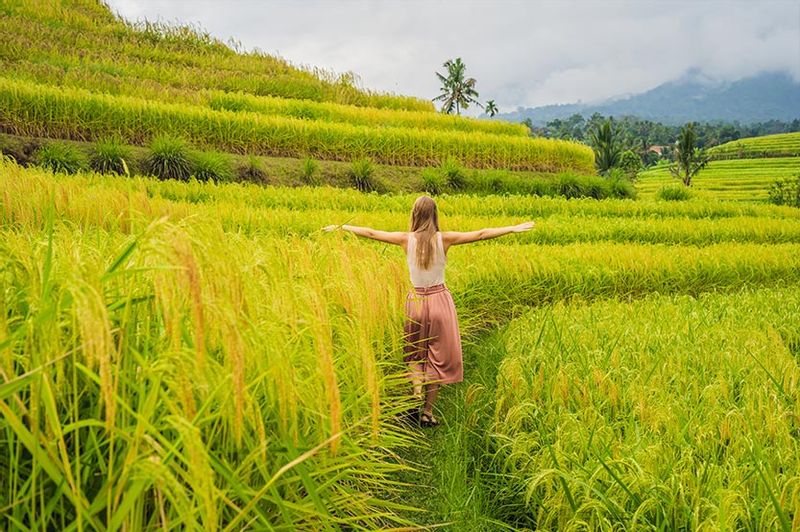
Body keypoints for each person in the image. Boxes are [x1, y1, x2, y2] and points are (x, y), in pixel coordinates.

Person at [324, 195, 534, 427]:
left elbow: (372, 233)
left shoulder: (405, 239)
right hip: (439, 301)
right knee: (436, 357)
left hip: (415, 302)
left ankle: (415, 396)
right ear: (434, 215)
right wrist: (512, 228)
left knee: (414, 355)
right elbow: (481, 233)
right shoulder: (445, 239)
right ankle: (426, 412)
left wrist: (341, 227)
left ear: (414, 214)